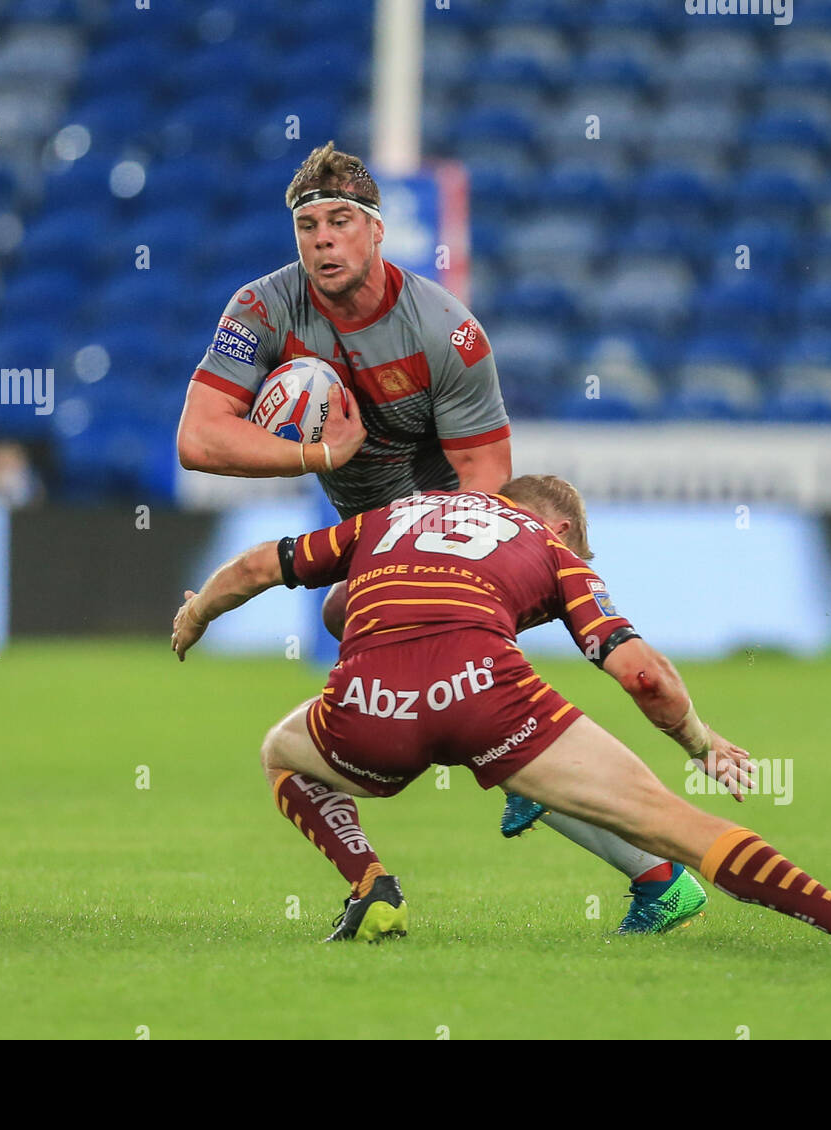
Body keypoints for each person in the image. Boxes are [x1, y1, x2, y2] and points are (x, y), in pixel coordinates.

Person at [175, 141, 701, 932]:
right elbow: (200, 439)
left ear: (378, 231)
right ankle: (653, 874)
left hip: (448, 532)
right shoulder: (263, 309)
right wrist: (320, 455)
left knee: (414, 690)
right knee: (460, 723)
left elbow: (486, 486)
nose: (322, 239)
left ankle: (648, 871)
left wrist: (419, 571)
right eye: (308, 224)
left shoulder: (445, 333)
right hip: (370, 531)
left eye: (341, 221)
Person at [171, 475, 831, 955]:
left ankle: (372, 885)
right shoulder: (553, 551)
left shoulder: (389, 519)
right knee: (676, 822)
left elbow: (256, 567)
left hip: (369, 703)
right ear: (555, 525)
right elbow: (643, 675)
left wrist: (198, 615)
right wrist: (701, 741)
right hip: (486, 697)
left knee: (283, 752)